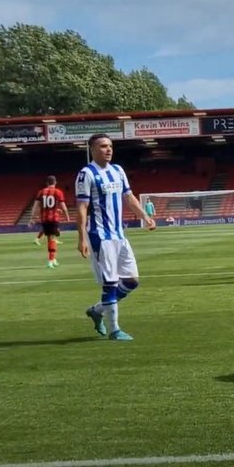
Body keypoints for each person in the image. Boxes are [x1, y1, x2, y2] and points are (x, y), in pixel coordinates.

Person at [78, 134, 155, 342]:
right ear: (92, 150)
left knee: (131, 281)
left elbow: (129, 197)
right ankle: (114, 330)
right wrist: (82, 237)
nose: (108, 149)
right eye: (103, 146)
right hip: (100, 236)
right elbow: (82, 208)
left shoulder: (118, 171)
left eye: (110, 146)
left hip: (119, 235)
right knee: (110, 283)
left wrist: (146, 217)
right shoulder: (86, 174)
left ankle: (97, 310)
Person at [29, 175, 71, 268]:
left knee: (50, 238)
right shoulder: (58, 192)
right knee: (52, 239)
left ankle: (54, 259)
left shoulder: (41, 192)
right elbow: (63, 206)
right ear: (55, 182)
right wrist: (67, 216)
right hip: (54, 219)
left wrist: (32, 218)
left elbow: (36, 206)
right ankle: (51, 260)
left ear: (47, 183)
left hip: (44, 219)